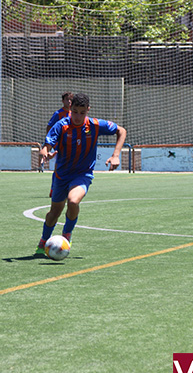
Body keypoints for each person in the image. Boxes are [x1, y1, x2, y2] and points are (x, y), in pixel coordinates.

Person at [35, 93, 126, 257]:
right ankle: (43, 241)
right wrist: (45, 153)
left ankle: (66, 234)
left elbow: (121, 131)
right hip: (61, 175)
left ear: (88, 110)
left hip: (83, 174)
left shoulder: (95, 125)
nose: (77, 116)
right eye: (75, 111)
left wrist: (116, 154)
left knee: (73, 200)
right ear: (70, 109)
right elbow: (46, 145)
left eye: (82, 112)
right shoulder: (62, 125)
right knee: (54, 213)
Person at [40, 92, 73, 172]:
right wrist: (52, 142)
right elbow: (49, 127)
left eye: (71, 100)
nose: (69, 101)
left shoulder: (74, 113)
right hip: (60, 142)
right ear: (62, 101)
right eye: (67, 99)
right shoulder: (58, 114)